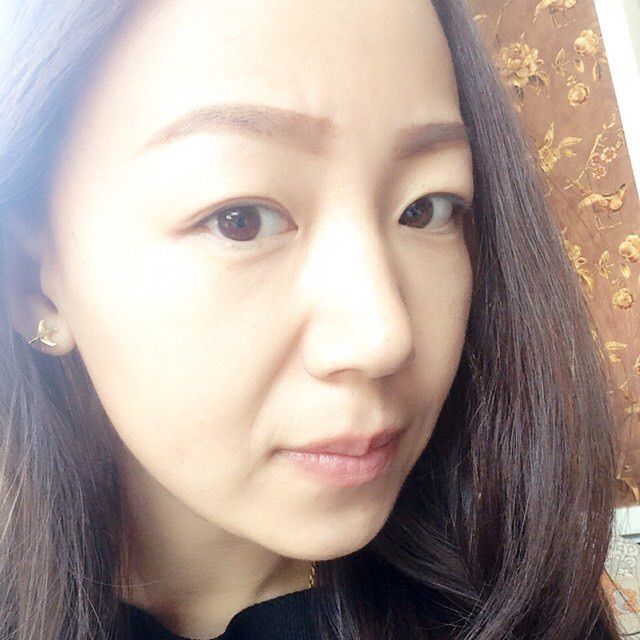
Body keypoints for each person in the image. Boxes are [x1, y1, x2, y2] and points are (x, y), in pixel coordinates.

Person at [0, 0, 623, 638]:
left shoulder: (522, 607)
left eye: (426, 209)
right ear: (32, 286)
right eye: (240, 219)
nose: (383, 337)